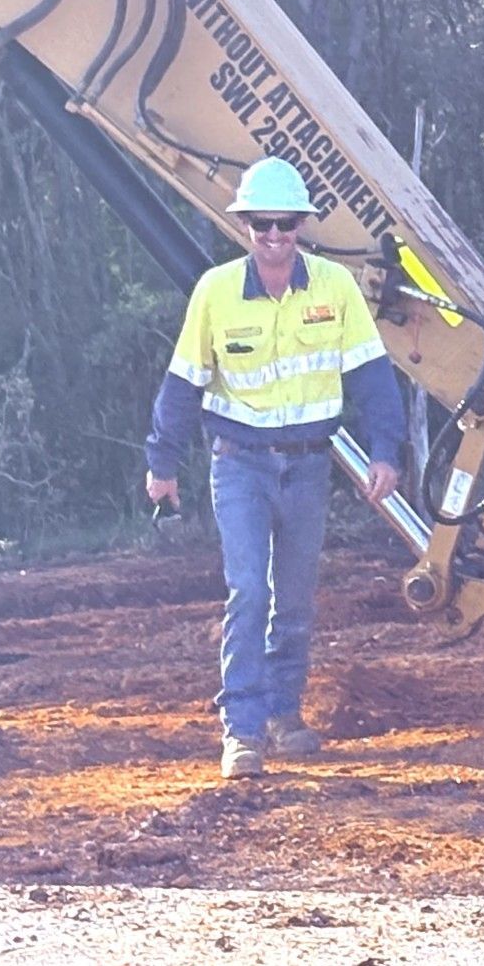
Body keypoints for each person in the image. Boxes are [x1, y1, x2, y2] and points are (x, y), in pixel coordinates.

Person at [144, 157, 406, 780]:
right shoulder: (214, 292)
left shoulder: (335, 289)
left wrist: (386, 451)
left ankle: (285, 715)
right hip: (239, 466)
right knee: (249, 593)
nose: (273, 235)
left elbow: (373, 376)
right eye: (262, 223)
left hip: (310, 467)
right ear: (245, 225)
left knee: (293, 600)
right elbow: (183, 383)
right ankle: (241, 730)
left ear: (301, 225)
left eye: (285, 223)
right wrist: (163, 462)